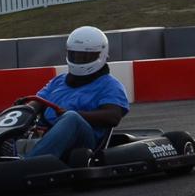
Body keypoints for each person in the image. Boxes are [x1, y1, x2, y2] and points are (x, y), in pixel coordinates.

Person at [24, 26, 129, 162]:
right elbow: (39, 100)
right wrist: (25, 110)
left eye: (85, 56)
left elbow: (113, 116)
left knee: (71, 117)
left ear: (100, 55)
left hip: (83, 142)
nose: (79, 60)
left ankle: (30, 163)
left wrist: (76, 114)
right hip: (46, 132)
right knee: (21, 113)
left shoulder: (110, 85)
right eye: (75, 55)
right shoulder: (59, 80)